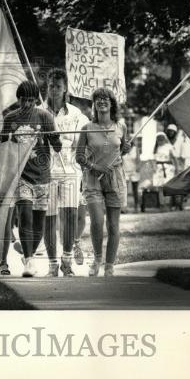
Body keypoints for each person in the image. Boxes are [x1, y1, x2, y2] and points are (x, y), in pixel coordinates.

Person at [0, 80, 62, 277]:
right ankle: (29, 262)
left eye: (31, 101)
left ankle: (28, 255)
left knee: (39, 223)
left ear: (35, 100)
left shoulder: (45, 116)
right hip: (20, 176)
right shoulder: (10, 118)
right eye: (24, 100)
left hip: (42, 176)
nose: (27, 105)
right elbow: (1, 144)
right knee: (25, 216)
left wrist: (55, 137)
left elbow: (56, 147)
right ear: (18, 99)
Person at [75, 88, 131, 277]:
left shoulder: (121, 126)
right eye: (98, 99)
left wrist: (127, 148)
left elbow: (122, 150)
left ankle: (109, 264)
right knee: (97, 222)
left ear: (112, 103)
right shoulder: (87, 128)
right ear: (94, 104)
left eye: (105, 98)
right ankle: (97, 259)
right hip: (93, 180)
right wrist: (95, 167)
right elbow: (79, 157)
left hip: (115, 179)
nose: (102, 101)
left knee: (114, 225)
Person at [44, 69, 89, 277]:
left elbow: (82, 142)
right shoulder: (39, 111)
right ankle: (52, 264)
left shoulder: (76, 114)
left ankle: (66, 261)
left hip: (71, 170)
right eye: (51, 86)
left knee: (70, 215)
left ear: (65, 89)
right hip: (46, 172)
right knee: (49, 217)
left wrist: (70, 143)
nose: (54, 90)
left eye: (58, 87)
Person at [122, 141, 141, 212]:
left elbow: (139, 160)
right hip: (125, 171)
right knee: (124, 190)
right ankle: (124, 208)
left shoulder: (135, 149)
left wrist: (138, 168)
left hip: (134, 171)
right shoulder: (122, 148)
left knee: (135, 190)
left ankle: (136, 207)